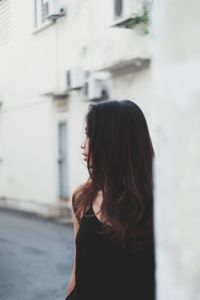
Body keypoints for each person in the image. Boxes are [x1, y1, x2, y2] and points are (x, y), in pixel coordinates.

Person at [65, 100, 155, 300]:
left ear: (112, 141)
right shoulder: (82, 198)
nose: (83, 143)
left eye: (89, 135)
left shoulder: (159, 204)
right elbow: (77, 271)